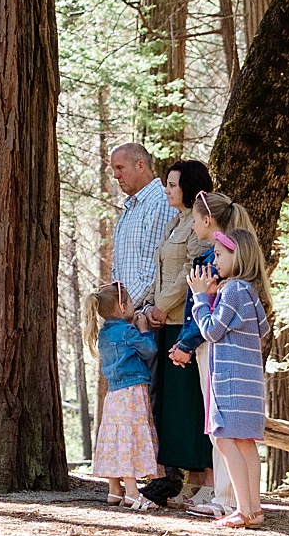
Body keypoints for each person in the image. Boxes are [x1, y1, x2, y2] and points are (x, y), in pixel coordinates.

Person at [142, 159, 216, 511]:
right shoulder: (174, 222)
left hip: (185, 323)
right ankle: (187, 483)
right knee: (175, 408)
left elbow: (190, 274)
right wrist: (150, 307)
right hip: (165, 322)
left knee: (192, 405)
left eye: (173, 184)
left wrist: (161, 305)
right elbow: (162, 270)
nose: (167, 190)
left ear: (189, 186)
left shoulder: (199, 226)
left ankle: (208, 483)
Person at [189, 219, 271, 528]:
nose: (214, 260)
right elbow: (259, 327)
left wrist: (200, 298)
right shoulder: (245, 291)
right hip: (248, 382)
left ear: (238, 257)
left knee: (224, 441)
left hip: (232, 381)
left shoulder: (234, 289)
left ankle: (243, 510)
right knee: (245, 444)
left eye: (220, 255)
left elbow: (211, 331)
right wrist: (212, 297)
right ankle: (254, 509)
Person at [89, 281, 160, 509]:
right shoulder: (128, 332)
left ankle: (114, 490)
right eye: (130, 302)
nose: (132, 306)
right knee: (130, 437)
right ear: (122, 306)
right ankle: (132, 492)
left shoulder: (105, 333)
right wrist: (144, 330)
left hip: (114, 394)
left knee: (115, 437)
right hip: (132, 392)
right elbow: (149, 350)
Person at [107, 142, 170, 310]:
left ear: (140, 165)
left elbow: (152, 272)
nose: (116, 176)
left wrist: (123, 310)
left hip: (148, 316)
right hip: (130, 315)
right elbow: (118, 270)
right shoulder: (131, 208)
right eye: (114, 169)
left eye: (120, 168)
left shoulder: (159, 202)